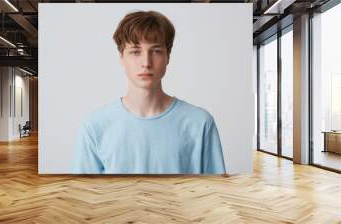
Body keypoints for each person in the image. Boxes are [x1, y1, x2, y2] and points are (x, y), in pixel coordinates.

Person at [73, 10, 226, 174]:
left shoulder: (200, 123)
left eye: (156, 51)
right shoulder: (94, 126)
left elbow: (214, 194)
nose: (146, 62)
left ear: (168, 57)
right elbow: (84, 197)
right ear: (121, 57)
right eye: (135, 51)